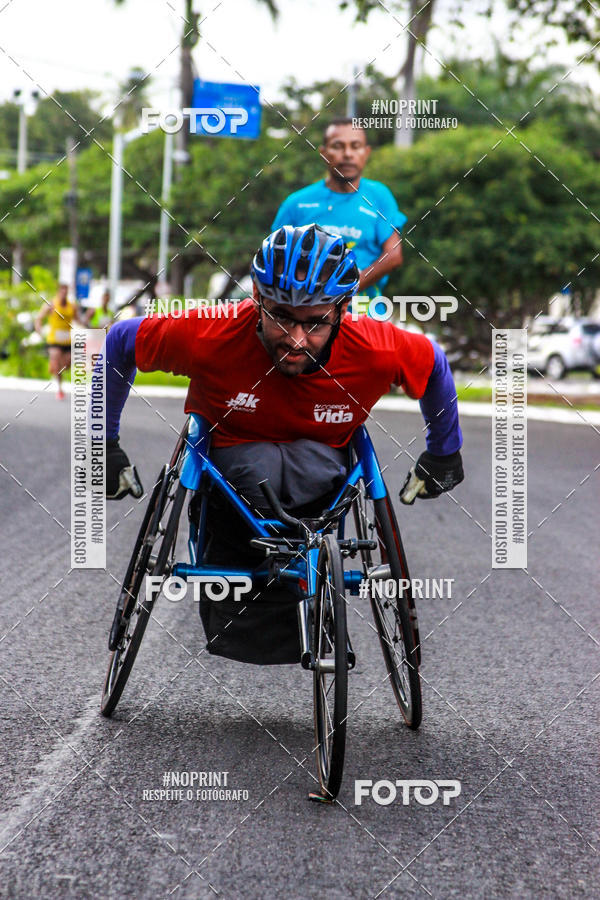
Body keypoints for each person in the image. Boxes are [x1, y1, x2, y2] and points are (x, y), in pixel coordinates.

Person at [103, 225, 464, 660]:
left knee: (308, 471)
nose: (296, 339)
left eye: (315, 323)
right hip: (233, 471)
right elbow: (119, 342)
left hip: (322, 469)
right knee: (258, 468)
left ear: (342, 308)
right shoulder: (210, 334)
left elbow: (434, 365)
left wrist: (444, 454)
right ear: (256, 296)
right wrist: (102, 443)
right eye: (281, 317)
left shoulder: (374, 347)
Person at [271, 118, 406, 298]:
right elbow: (272, 256)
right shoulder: (296, 203)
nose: (348, 153)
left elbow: (393, 255)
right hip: (308, 318)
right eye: (338, 146)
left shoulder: (379, 196)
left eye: (355, 146)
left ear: (366, 152)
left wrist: (343, 291)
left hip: (364, 314)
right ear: (324, 153)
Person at [34, 283, 84, 400]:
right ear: (58, 292)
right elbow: (39, 317)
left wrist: (88, 328)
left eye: (66, 292)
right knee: (57, 363)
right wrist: (39, 330)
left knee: (67, 365)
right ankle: (60, 389)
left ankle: (55, 366)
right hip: (54, 340)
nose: (64, 294)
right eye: (62, 291)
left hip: (67, 341)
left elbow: (78, 320)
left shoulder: (72, 306)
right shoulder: (51, 304)